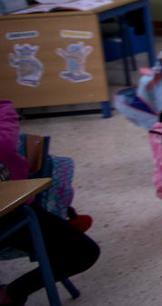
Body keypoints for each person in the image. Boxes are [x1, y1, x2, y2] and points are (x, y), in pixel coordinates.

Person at [0, 101, 100, 306]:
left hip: (13, 210)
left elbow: (4, 141)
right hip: (14, 210)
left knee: (83, 252)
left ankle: (12, 292)